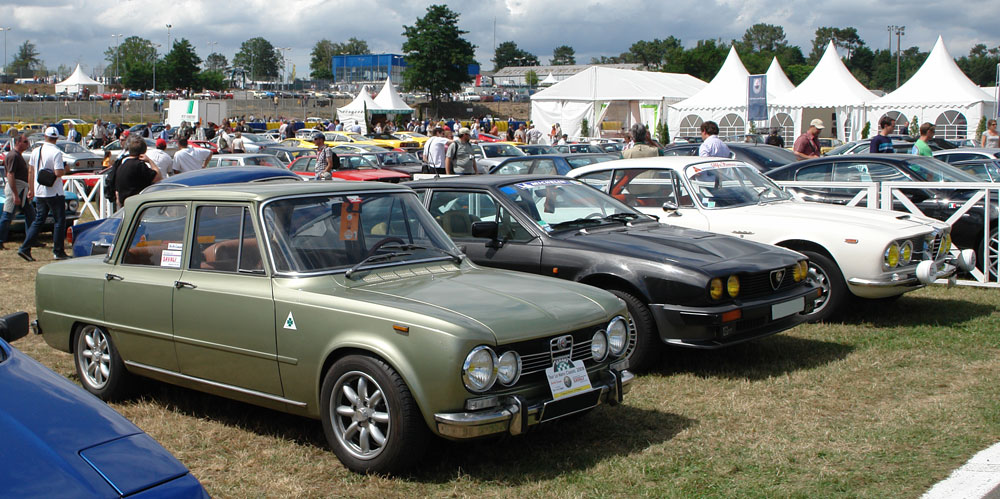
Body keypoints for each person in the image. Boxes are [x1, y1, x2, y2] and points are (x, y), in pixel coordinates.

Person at [18, 127, 70, 261]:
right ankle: (58, 251)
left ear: (45, 137)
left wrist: (31, 189)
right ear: (56, 138)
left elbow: (31, 171)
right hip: (55, 192)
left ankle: (25, 247)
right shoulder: (56, 152)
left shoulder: (36, 151)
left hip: (40, 191)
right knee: (59, 221)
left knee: (38, 220)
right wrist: (66, 169)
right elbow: (58, 173)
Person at [0, 133, 35, 251]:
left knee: (31, 214)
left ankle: (31, 239)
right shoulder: (13, 156)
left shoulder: (18, 155)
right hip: (16, 189)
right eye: (25, 142)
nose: (28, 144)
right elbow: (10, 175)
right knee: (7, 216)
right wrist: (15, 195)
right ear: (18, 142)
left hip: (22, 190)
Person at [114, 136, 161, 207]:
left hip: (125, 206)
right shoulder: (139, 165)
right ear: (144, 151)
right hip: (138, 206)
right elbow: (158, 177)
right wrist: (149, 161)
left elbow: (117, 193)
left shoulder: (122, 165)